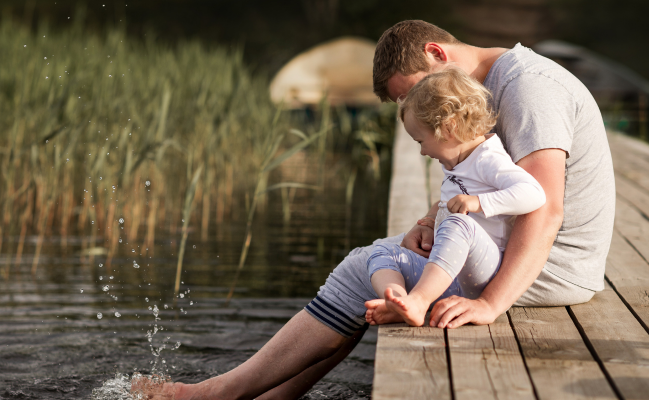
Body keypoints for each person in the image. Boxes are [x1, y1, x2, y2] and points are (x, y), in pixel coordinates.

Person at [131, 20, 615, 399]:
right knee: (374, 263)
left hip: (549, 268)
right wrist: (429, 222)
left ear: (437, 54)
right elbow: (472, 176)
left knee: (362, 267)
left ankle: (218, 394)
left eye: (417, 93)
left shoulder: (529, 88)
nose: (420, 109)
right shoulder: (491, 89)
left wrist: (490, 305)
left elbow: (544, 209)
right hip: (510, 251)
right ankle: (262, 395)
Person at [365, 67, 545, 327]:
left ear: (448, 129)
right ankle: (400, 302)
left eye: (420, 141)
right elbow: (447, 203)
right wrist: (429, 222)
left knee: (458, 222)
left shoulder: (487, 159)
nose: (422, 152)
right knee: (381, 249)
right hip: (448, 272)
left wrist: (479, 203)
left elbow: (534, 194)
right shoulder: (454, 161)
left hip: (482, 271)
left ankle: (419, 301)